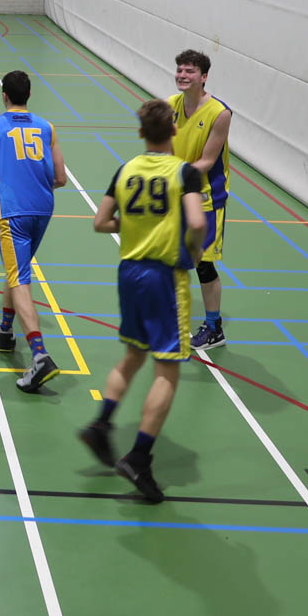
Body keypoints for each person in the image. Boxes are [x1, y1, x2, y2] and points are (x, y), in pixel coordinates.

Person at [77, 100, 207, 504]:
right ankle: (139, 457)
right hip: (163, 277)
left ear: (140, 133)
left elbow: (101, 222)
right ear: (174, 130)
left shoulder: (126, 169)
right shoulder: (183, 172)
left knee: (133, 354)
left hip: (128, 273)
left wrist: (134, 224)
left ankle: (101, 424)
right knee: (167, 369)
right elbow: (197, 221)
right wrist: (194, 251)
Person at [0, 70, 69, 392]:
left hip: (12, 211)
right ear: (28, 95)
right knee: (17, 268)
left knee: (19, 279)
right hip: (42, 208)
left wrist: (8, 178)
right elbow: (61, 178)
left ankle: (40, 355)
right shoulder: (47, 127)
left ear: (4, 95)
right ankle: (5, 330)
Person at [169, 49, 233, 349]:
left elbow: (207, 160)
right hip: (177, 194)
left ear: (204, 77)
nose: (182, 75)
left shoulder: (220, 113)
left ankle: (214, 327)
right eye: (180, 70)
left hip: (206, 198)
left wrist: (170, 175)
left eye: (190, 71)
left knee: (203, 265)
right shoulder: (170, 106)